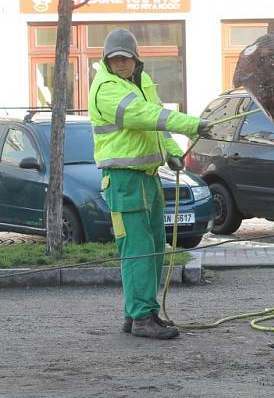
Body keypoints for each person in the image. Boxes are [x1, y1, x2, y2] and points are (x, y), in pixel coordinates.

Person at [89, 28, 209, 340]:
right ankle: (142, 317)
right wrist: (192, 124)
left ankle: (140, 314)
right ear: (106, 60)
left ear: (135, 59)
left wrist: (172, 153)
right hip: (124, 181)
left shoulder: (141, 83)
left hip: (147, 179)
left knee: (154, 247)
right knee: (138, 250)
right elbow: (144, 115)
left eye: (125, 59)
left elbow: (156, 126)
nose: (120, 64)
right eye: (114, 59)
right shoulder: (106, 88)